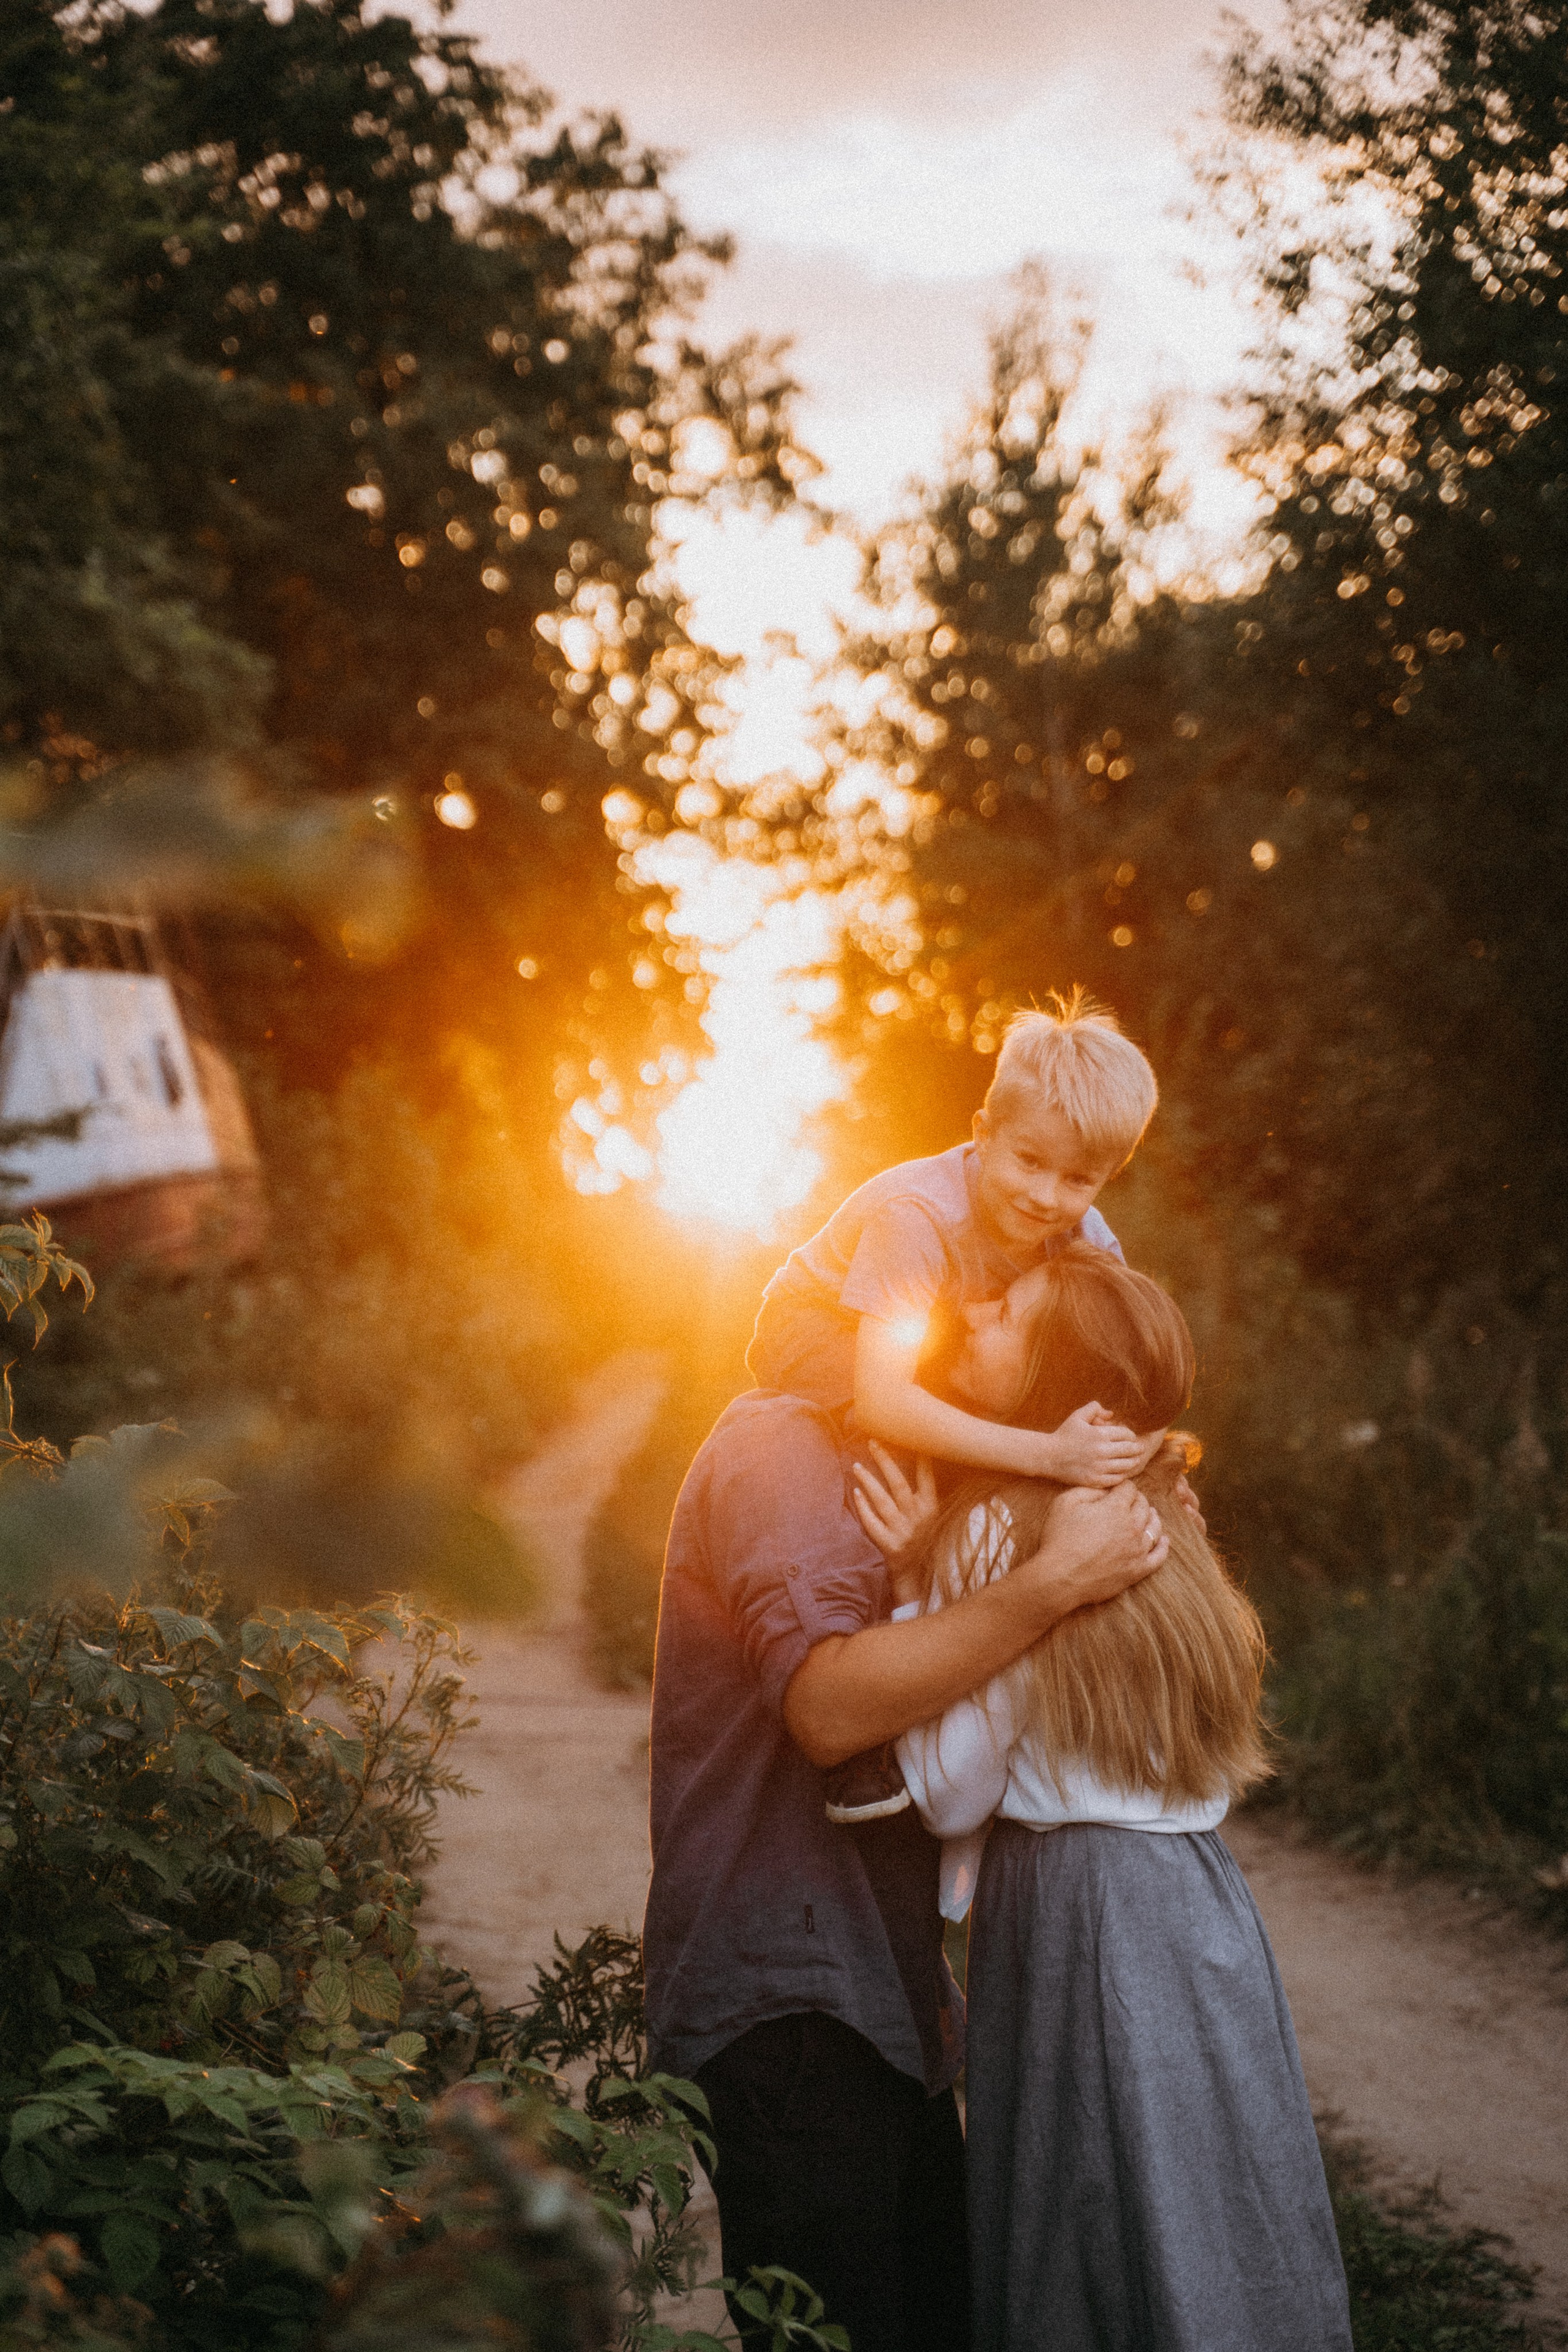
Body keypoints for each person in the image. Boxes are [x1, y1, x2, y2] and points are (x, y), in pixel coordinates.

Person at [641, 1341, 1170, 2351]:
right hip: (792, 1999)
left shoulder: (917, 1468)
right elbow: (829, 1709)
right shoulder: (783, 1447)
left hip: (884, 1995)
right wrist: (1053, 1582)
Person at [883, 1246, 1353, 2352]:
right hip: (1200, 1897)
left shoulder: (999, 1527)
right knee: (1209, 2193)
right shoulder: (1166, 1519)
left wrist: (913, 1590)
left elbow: (947, 1795)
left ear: (1058, 1378)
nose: (976, 1319)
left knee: (1083, 2211)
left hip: (1077, 1904)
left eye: (1008, 1316)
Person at [748, 989, 1163, 1825]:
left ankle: (998, 1675)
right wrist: (1050, 1454)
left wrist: (1147, 1457)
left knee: (1003, 1461)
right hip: (825, 1331)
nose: (1046, 1195)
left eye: (1078, 1179)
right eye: (1029, 1161)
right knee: (893, 1466)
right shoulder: (918, 1219)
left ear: (1106, 1178)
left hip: (945, 1348)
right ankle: (870, 1722)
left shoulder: (1089, 1238)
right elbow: (886, 1399)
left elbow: (1127, 1369)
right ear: (983, 1133)